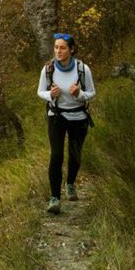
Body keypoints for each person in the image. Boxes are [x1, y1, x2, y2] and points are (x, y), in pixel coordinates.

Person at [37, 33, 95, 214]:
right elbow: (40, 92)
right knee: (56, 155)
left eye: (62, 48)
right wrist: (50, 95)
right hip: (56, 116)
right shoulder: (48, 70)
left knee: (75, 155)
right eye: (56, 47)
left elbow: (92, 92)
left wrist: (80, 94)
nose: (58, 51)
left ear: (71, 49)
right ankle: (54, 198)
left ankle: (70, 183)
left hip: (78, 117)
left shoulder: (82, 69)